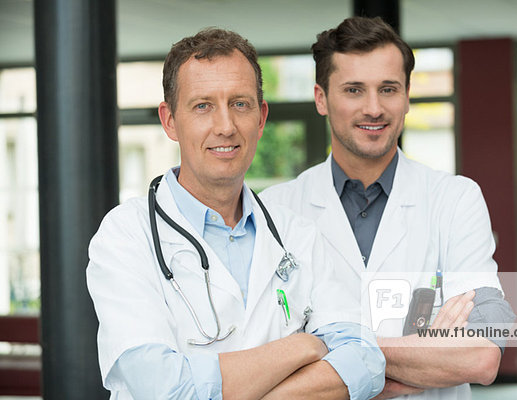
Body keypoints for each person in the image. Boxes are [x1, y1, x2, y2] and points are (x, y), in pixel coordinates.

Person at [86, 28, 385, 400]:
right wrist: (302, 348)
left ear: (261, 118)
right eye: (203, 106)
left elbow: (367, 364)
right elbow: (163, 389)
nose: (225, 126)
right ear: (170, 121)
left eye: (240, 104)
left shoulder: (297, 234)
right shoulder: (125, 237)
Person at [260, 16, 515, 399]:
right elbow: (259, 362)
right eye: (354, 90)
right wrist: (423, 350)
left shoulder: (456, 200)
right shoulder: (273, 212)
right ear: (321, 98)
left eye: (389, 89)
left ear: (407, 95)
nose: (374, 108)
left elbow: (480, 356)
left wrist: (318, 348)